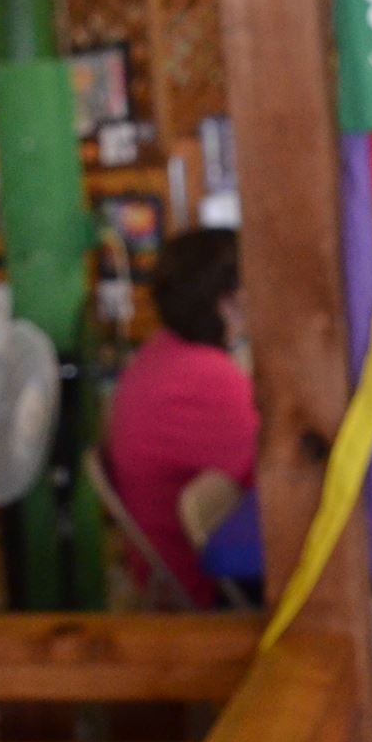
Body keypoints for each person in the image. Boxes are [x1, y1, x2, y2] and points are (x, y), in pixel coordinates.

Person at [103, 228, 256, 608]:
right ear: (226, 303)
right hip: (203, 583)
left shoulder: (162, 354)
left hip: (164, 569)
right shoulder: (207, 377)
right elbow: (277, 469)